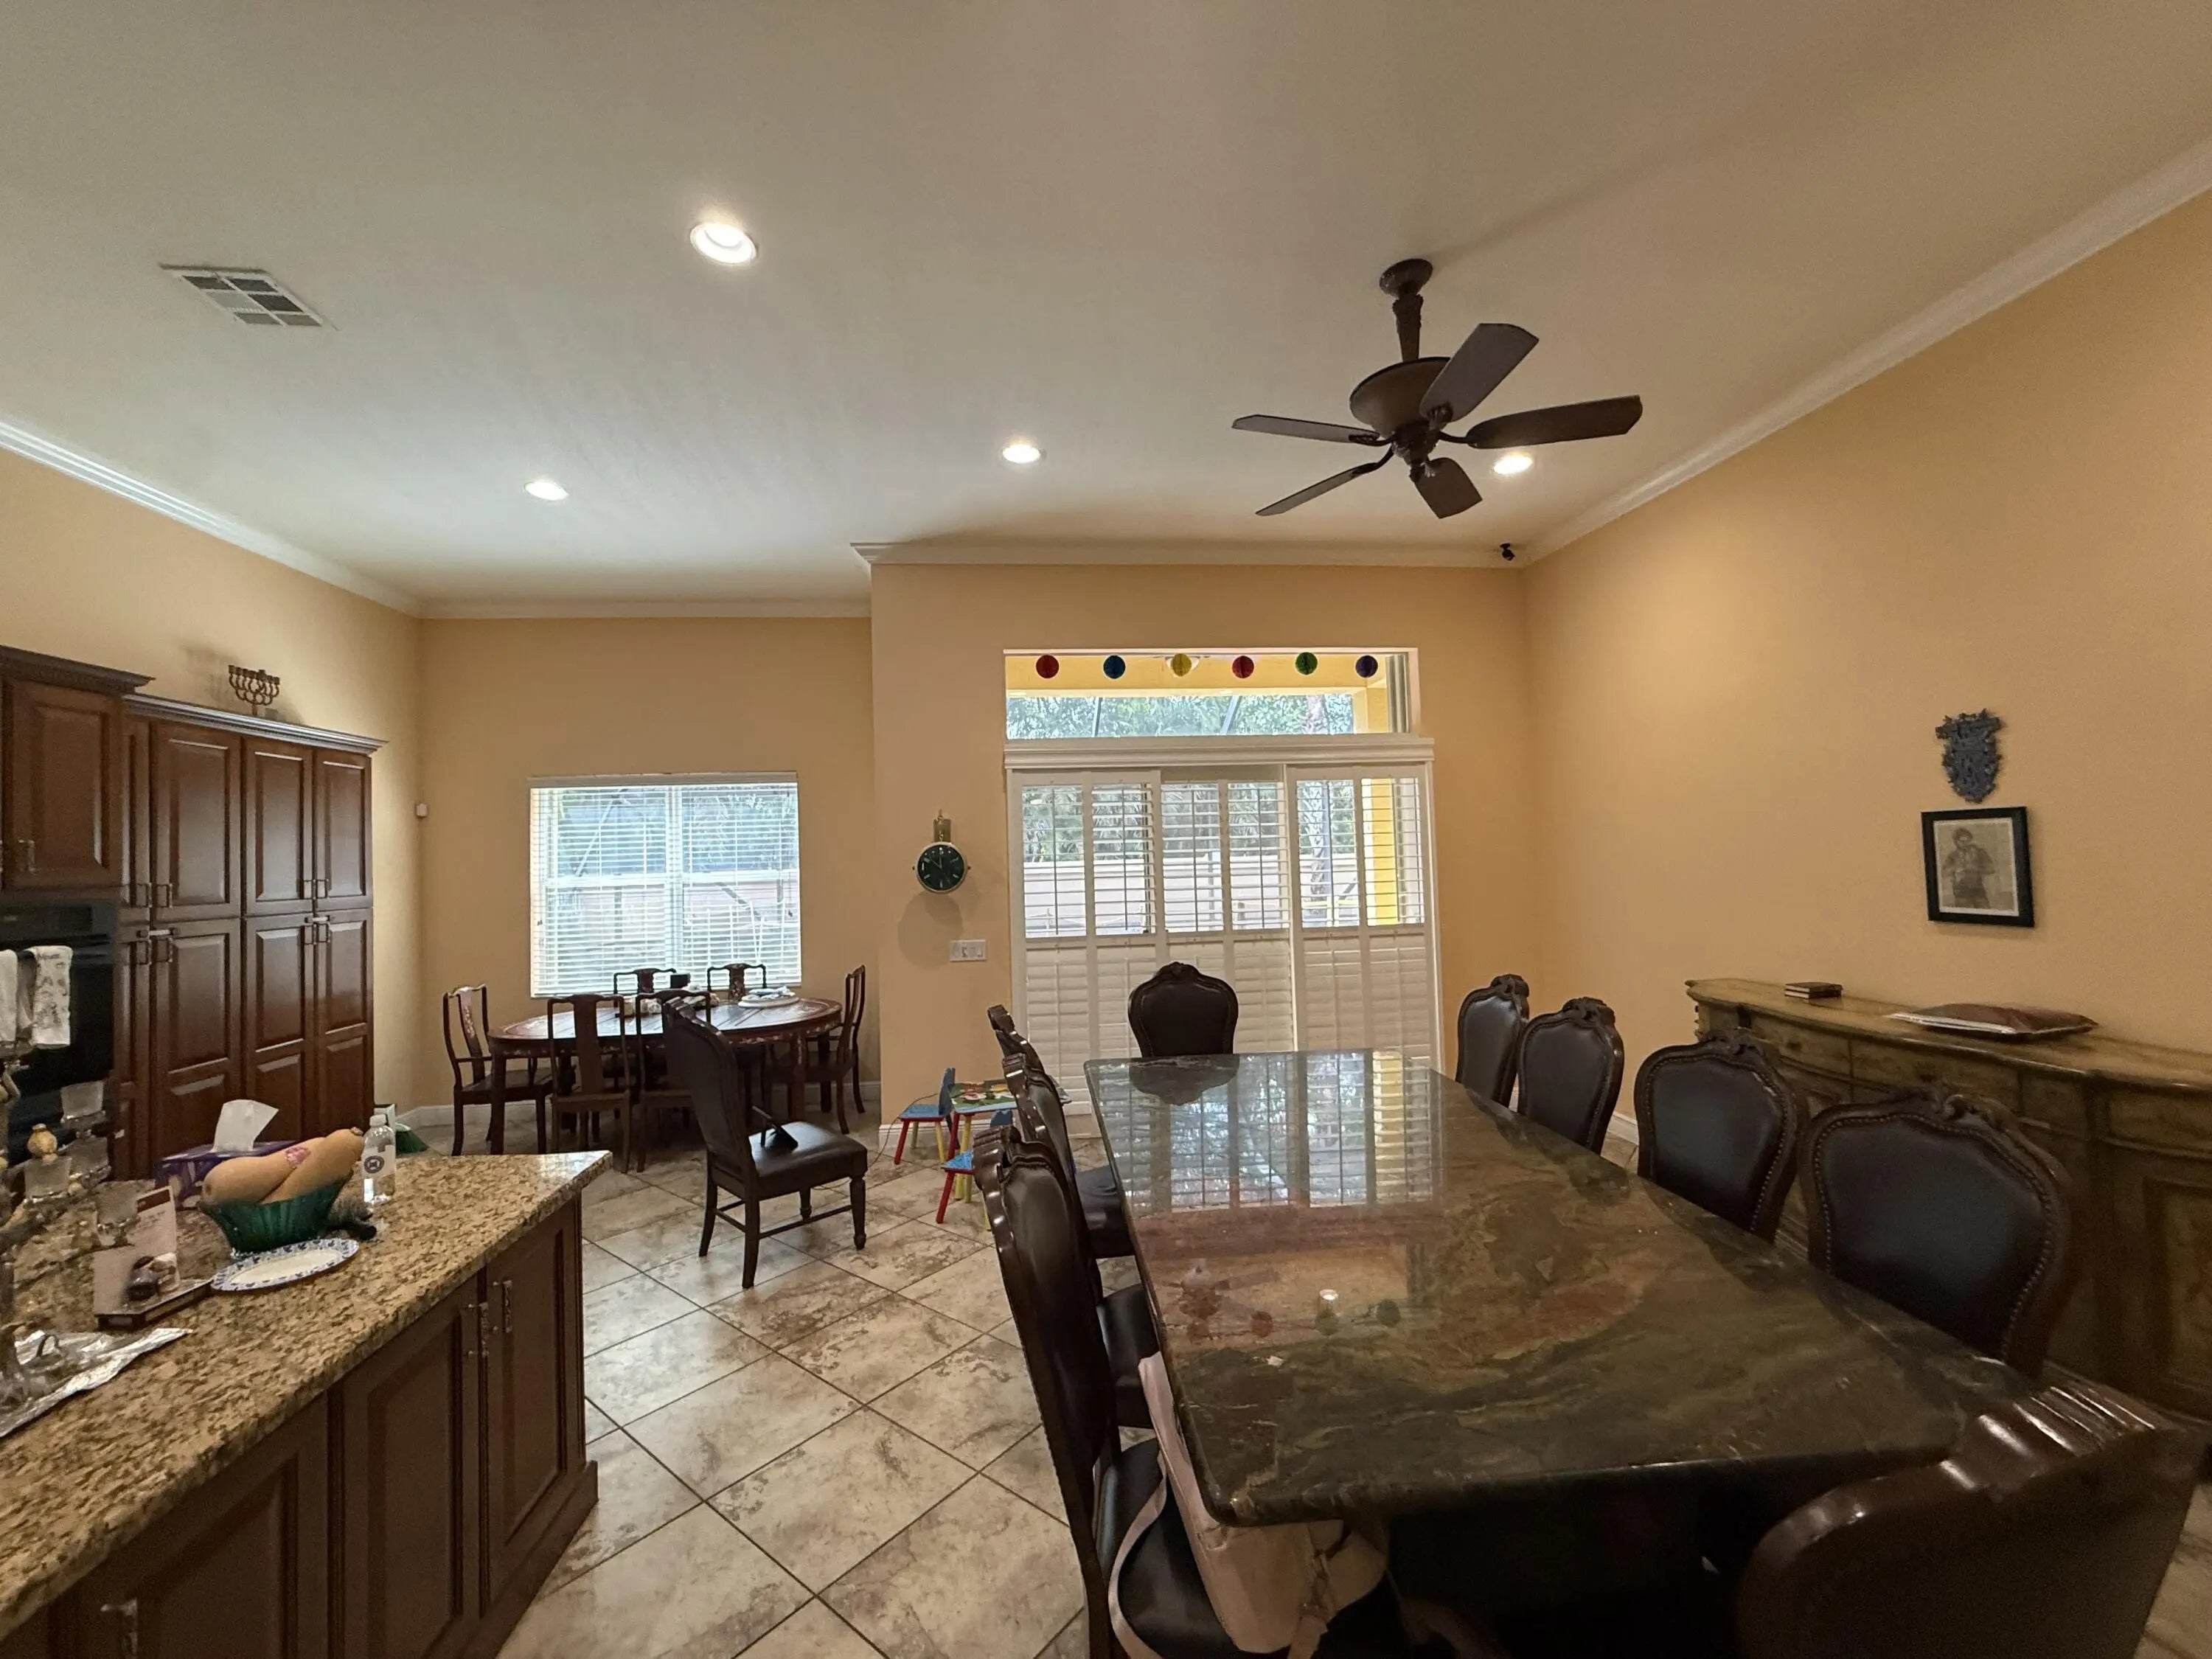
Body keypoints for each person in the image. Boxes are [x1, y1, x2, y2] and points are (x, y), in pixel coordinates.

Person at [1941, 825, 1997, 908]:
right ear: (1956, 842)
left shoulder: (1979, 852)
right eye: (1962, 841)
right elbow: (1944, 873)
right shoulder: (1953, 856)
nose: (1965, 844)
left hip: (1978, 891)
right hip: (1960, 893)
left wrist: (1975, 868)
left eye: (1968, 841)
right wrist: (1956, 868)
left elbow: (1991, 869)